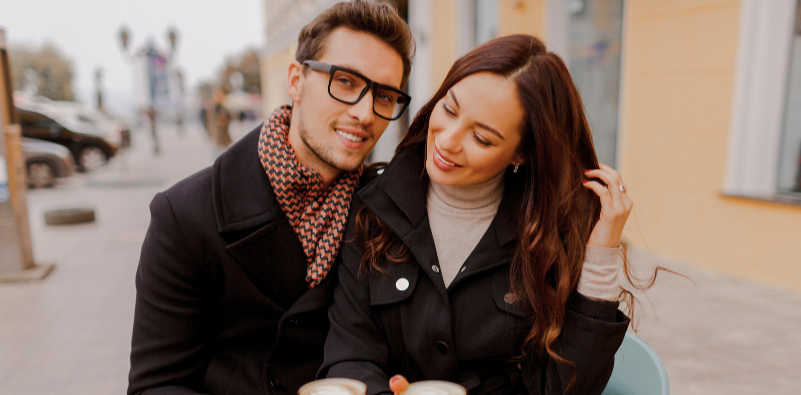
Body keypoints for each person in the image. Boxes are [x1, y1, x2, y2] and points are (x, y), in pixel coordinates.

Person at [127, 1, 414, 394]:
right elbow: (157, 386)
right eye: (345, 81)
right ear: (296, 80)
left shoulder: (384, 212)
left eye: (383, 96)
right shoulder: (186, 215)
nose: (365, 113)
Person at [320, 35, 633, 395]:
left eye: (482, 138)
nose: (448, 140)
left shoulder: (546, 236)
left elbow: (565, 388)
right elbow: (349, 356)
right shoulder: (371, 209)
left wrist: (601, 257)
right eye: (449, 109)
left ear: (521, 154)